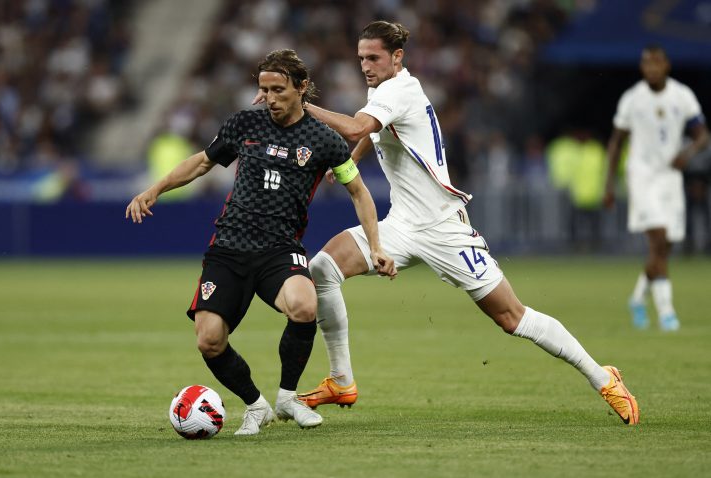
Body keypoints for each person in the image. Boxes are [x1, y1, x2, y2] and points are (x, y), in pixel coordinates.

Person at [255, 21, 639, 425]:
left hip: (443, 227)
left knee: (512, 317)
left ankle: (603, 377)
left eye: (373, 58)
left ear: (397, 57)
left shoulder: (399, 89)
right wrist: (356, 157)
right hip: (402, 224)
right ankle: (341, 380)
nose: (366, 66)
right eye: (361, 58)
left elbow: (356, 126)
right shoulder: (383, 89)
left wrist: (302, 104)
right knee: (322, 267)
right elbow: (374, 131)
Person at [126, 49, 396, 436]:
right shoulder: (244, 123)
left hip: (279, 249)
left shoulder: (325, 141)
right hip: (230, 247)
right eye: (264, 89)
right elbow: (202, 161)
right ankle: (256, 406)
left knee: (304, 305)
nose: (270, 98)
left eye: (279, 89)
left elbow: (359, 192)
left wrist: (376, 247)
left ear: (302, 89)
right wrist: (155, 189)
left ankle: (288, 397)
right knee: (209, 340)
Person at [604, 46, 709, 331]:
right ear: (642, 68)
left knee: (665, 248)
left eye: (656, 63)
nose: (651, 68)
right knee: (658, 239)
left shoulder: (682, 95)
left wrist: (686, 153)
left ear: (666, 65)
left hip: (670, 178)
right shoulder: (632, 99)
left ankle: (637, 298)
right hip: (642, 176)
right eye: (646, 64)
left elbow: (703, 135)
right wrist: (609, 183)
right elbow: (616, 142)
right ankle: (667, 313)